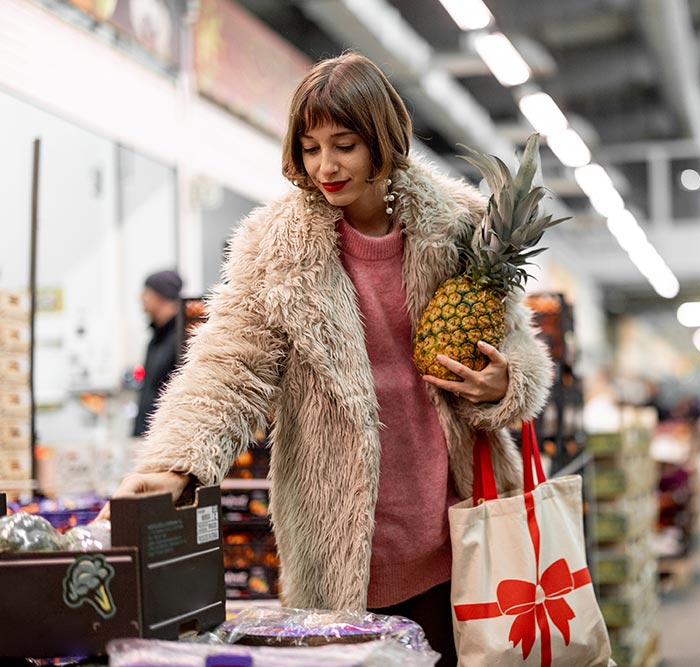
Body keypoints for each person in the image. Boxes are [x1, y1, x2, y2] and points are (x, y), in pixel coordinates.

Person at [99, 52, 552, 664]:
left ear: (383, 140)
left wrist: (506, 381)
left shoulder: (464, 228)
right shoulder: (278, 248)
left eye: (344, 144)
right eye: (310, 148)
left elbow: (518, 346)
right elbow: (229, 365)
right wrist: (178, 461)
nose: (326, 166)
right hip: (342, 549)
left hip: (464, 534)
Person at [132, 269, 182, 437]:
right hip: (148, 436)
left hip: (168, 437)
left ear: (159, 296)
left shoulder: (180, 339)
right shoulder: (155, 338)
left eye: (146, 292)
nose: (141, 299)